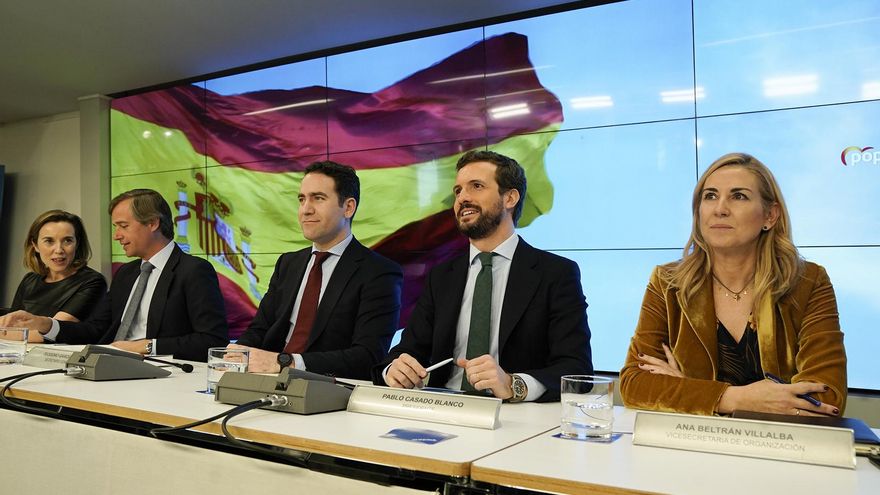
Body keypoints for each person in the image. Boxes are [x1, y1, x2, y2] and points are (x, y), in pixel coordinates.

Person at [619, 152, 846, 417]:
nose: (720, 209)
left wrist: (685, 389)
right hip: (691, 447)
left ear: (770, 216)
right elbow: (635, 385)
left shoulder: (808, 281)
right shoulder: (668, 282)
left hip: (780, 449)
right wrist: (735, 398)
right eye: (710, 196)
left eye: (739, 196)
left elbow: (826, 397)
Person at [373, 150, 592, 402]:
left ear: (510, 198)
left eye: (476, 186)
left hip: (514, 420)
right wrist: (395, 370)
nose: (462, 198)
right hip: (442, 410)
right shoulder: (442, 276)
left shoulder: (556, 273)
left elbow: (576, 369)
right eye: (457, 191)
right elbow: (408, 350)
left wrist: (513, 384)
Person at [0, 189, 228, 361]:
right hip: (110, 365)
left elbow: (212, 340)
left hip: (160, 371)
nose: (116, 236)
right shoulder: (127, 273)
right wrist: (46, 324)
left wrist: (148, 346)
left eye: (123, 226)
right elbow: (95, 329)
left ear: (152, 223)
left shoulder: (193, 270)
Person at [231, 161, 402, 380]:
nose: (306, 209)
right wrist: (237, 354)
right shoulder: (288, 263)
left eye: (318, 198)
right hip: (267, 380)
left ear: (348, 207)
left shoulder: (379, 272)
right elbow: (259, 330)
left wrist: (286, 363)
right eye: (302, 199)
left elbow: (368, 356)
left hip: (329, 388)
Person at [9, 210, 106, 331]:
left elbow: (52, 333)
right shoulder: (29, 280)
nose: (59, 250)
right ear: (35, 245)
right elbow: (11, 326)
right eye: (49, 241)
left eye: (67, 241)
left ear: (77, 243)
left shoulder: (93, 281)